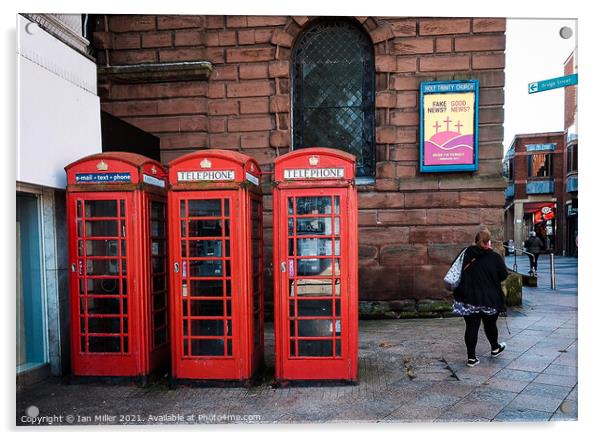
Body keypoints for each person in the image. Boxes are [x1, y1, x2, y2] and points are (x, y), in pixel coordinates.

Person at [452, 228, 509, 367]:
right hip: (489, 298)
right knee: (490, 324)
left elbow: (456, 270)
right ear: (489, 242)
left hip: (468, 298)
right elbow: (503, 275)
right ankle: (495, 348)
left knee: (471, 326)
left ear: (475, 240)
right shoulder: (495, 257)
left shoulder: (465, 253)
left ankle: (471, 358)